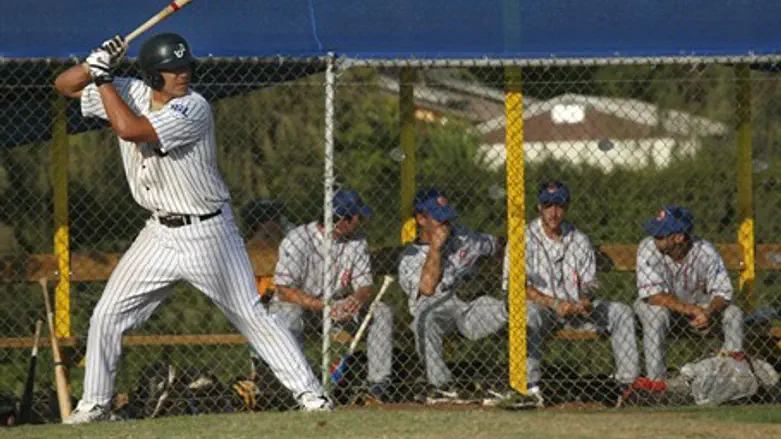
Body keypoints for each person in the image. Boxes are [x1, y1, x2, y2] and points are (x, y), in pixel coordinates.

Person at [53, 33, 331, 423]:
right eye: (172, 70)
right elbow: (63, 86)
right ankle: (95, 405)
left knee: (251, 315)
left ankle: (312, 396)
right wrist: (93, 63)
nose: (182, 74)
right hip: (159, 233)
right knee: (107, 314)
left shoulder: (194, 107)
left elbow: (131, 130)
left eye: (185, 67)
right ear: (151, 75)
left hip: (208, 234)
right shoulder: (128, 90)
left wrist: (102, 79)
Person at [502, 181, 640, 407]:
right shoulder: (521, 239)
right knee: (528, 313)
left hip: (578, 311)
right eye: (547, 206)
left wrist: (586, 299)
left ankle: (628, 387)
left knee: (621, 312)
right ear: (538, 208)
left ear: (566, 207)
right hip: (545, 311)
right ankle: (528, 387)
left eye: (559, 206)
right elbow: (515, 288)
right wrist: (554, 302)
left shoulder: (579, 239)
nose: (553, 212)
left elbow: (590, 282)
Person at [271, 189, 395, 400]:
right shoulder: (298, 239)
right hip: (302, 307)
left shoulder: (357, 241)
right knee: (288, 317)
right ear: (341, 219)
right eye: (356, 216)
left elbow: (365, 286)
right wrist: (325, 306)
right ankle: (298, 387)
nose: (360, 221)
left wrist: (355, 300)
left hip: (339, 308)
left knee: (381, 312)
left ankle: (377, 386)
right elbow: (284, 290)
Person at [397, 189, 506, 403]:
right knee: (425, 320)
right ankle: (441, 387)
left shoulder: (463, 236)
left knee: (512, 309)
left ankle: (514, 381)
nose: (446, 224)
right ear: (421, 219)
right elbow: (427, 288)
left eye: (448, 217)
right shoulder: (409, 258)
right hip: (436, 310)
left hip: (471, 307)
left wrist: (504, 266)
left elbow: (497, 244)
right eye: (439, 219)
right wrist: (436, 249)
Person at [634, 205, 744, 381]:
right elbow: (654, 296)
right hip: (661, 308)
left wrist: (708, 312)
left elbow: (722, 292)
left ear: (679, 237)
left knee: (734, 313)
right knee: (657, 315)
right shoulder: (647, 247)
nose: (654, 238)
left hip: (700, 312)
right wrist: (693, 310)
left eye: (661, 235)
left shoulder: (705, 251)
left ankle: (733, 380)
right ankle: (657, 384)